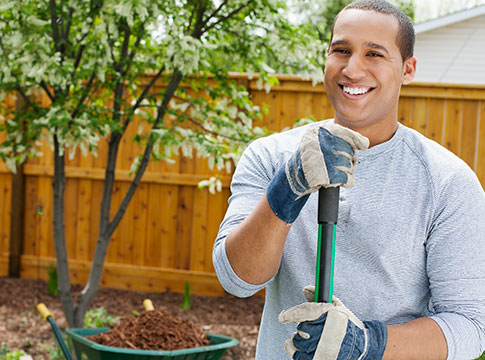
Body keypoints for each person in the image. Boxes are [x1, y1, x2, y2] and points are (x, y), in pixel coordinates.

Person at [212, 0, 485, 359]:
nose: (352, 69)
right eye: (341, 50)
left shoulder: (447, 181)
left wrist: (367, 344)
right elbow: (239, 280)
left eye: (374, 54)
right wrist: (287, 190)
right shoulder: (272, 156)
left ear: (407, 69)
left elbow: (470, 327)